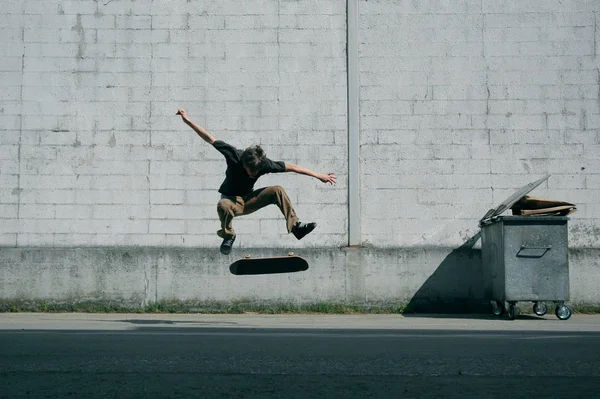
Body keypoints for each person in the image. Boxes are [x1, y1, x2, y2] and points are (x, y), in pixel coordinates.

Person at [176, 109, 337, 255]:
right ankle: (228, 236)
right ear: (244, 163)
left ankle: (295, 227)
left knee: (277, 190)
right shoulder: (234, 155)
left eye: (257, 171)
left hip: (250, 199)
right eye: (251, 171)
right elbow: (209, 138)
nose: (254, 174)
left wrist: (318, 175)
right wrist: (187, 120)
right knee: (222, 205)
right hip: (231, 201)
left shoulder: (263, 164)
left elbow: (292, 167)